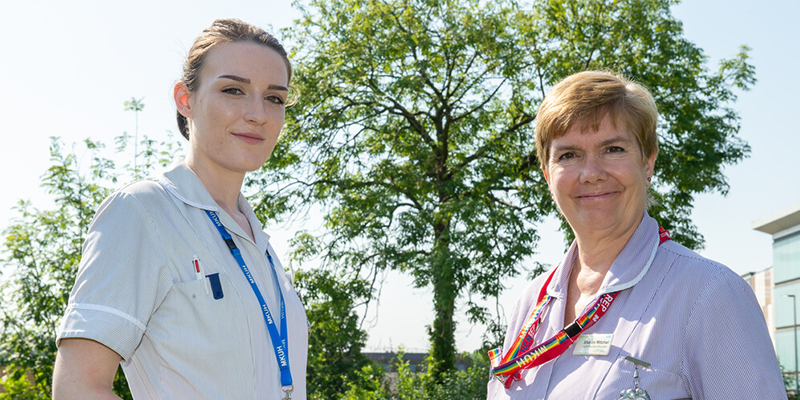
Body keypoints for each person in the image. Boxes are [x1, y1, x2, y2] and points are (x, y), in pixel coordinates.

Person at [486, 71, 786, 399]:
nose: (590, 174)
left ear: (648, 162)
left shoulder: (709, 294)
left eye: (613, 149)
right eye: (568, 155)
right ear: (547, 175)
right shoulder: (529, 305)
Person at [52, 18, 307, 400]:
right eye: (234, 90)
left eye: (274, 98)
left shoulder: (261, 244)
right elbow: (76, 388)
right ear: (185, 99)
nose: (259, 114)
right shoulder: (142, 212)